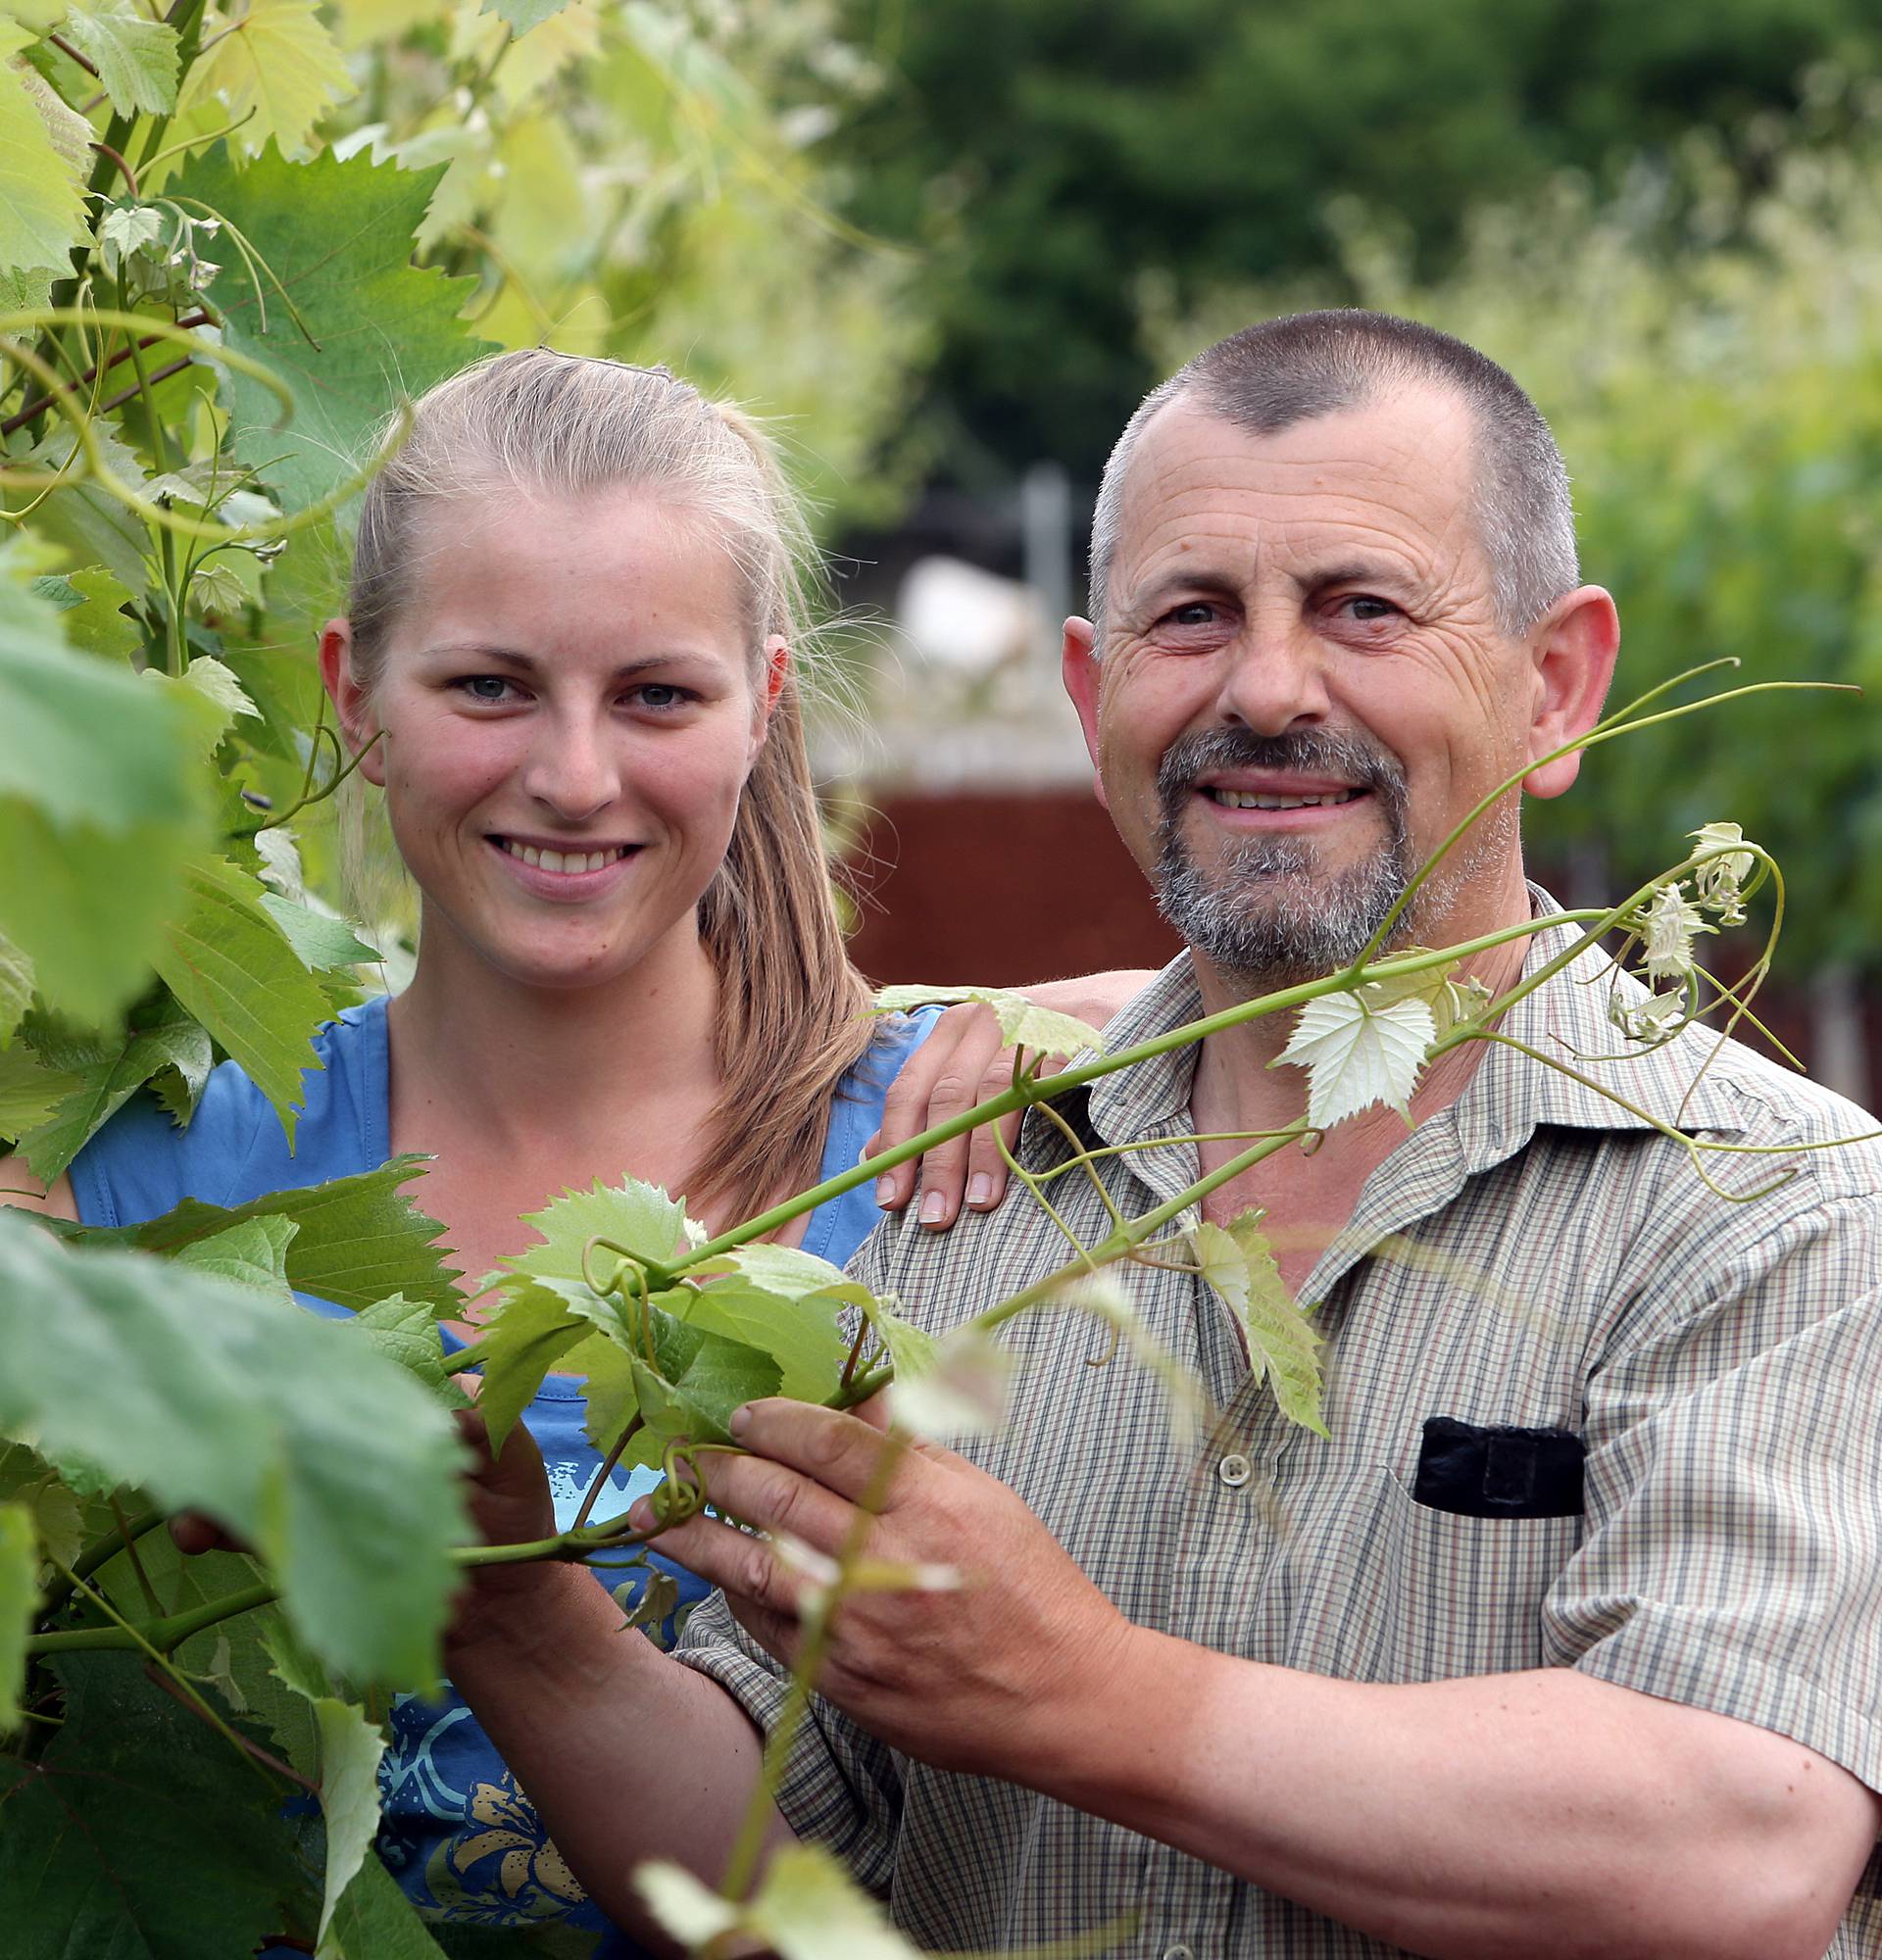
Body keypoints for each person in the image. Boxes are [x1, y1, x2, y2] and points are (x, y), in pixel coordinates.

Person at [443, 313, 1882, 1959]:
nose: (1268, 689)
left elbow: (1744, 1845)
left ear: (1554, 687)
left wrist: (1090, 1696)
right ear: (1091, 689)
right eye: (1191, 616)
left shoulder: (1775, 1206)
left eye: (1363, 608)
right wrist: (509, 1613)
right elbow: (787, 1889)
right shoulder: (953, 1187)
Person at [0, 349, 1144, 1936]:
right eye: (491, 686)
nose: (575, 774)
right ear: (353, 699)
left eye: (657, 695)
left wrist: (1140, 1029)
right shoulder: (141, 1190)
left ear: (768, 709)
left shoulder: (946, 1168)